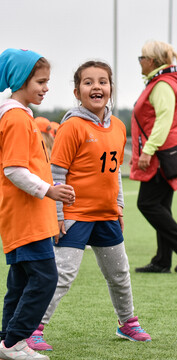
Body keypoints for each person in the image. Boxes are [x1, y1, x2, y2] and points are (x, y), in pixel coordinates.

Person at [26, 60, 151, 352]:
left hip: (107, 216)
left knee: (119, 274)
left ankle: (127, 323)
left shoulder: (118, 127)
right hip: (74, 216)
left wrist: (119, 208)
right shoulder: (71, 127)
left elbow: (115, 173)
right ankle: (34, 327)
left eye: (102, 82)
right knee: (62, 276)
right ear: (77, 91)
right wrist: (57, 216)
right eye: (88, 82)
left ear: (111, 88)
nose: (96, 87)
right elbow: (56, 175)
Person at [0, 48, 75, 360]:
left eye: (47, 81)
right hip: (26, 217)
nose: (46, 87)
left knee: (20, 282)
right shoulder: (16, 118)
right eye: (40, 81)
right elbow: (14, 170)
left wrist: (49, 191)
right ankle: (15, 342)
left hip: (27, 216)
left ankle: (6, 340)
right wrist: (50, 191)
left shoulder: (21, 115)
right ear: (20, 80)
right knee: (45, 278)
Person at [131, 40, 177, 274]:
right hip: (164, 153)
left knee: (147, 204)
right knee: (161, 206)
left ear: (152, 61)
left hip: (160, 155)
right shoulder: (161, 82)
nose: (139, 62)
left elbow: (164, 120)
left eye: (141, 57)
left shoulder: (162, 85)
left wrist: (148, 150)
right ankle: (162, 260)